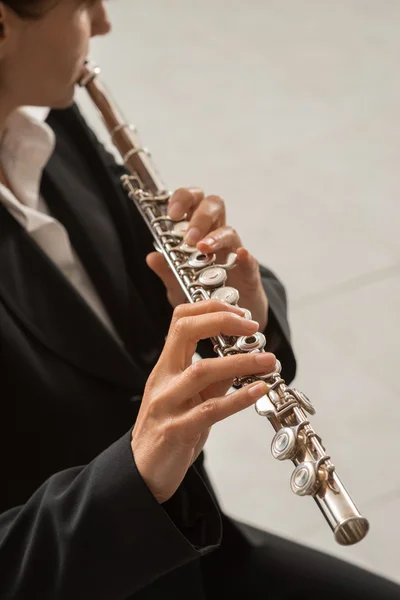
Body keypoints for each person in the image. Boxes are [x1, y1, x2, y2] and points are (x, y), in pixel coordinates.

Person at [0, 1, 398, 598]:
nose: (103, 23)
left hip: (197, 553)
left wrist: (240, 307)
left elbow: (144, 289)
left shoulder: (53, 123)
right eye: (82, 3)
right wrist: (130, 478)